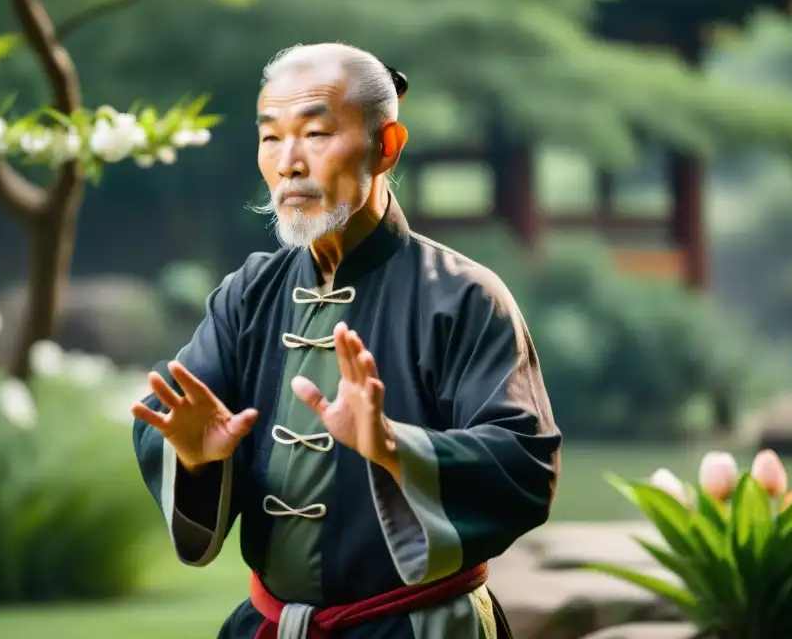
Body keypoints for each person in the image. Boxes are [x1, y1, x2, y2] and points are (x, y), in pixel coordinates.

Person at [131, 42, 562, 639]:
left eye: (315, 133)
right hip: (273, 626)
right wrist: (196, 456)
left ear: (385, 147)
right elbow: (174, 411)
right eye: (271, 137)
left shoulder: (464, 297)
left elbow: (524, 461)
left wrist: (394, 446)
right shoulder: (248, 293)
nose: (289, 163)